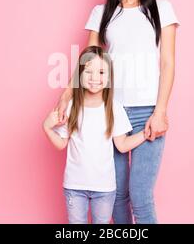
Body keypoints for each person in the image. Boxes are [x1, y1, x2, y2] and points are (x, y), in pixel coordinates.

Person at [55, 0, 181, 224]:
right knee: (117, 195)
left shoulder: (162, 9)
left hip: (148, 111)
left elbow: (168, 63)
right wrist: (65, 95)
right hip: (110, 112)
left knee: (141, 195)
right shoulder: (102, 14)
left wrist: (160, 111)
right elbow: (87, 60)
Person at [43, 46, 151, 224]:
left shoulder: (114, 108)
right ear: (79, 75)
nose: (94, 78)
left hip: (104, 189)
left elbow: (122, 144)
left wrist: (145, 134)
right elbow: (62, 143)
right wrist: (47, 127)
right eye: (88, 71)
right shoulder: (71, 106)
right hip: (74, 187)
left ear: (109, 78)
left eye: (101, 72)